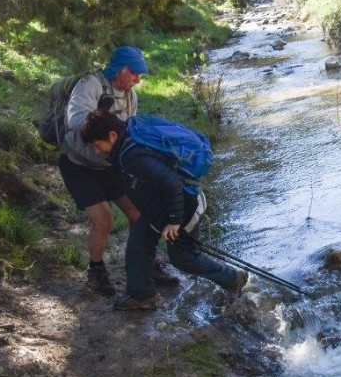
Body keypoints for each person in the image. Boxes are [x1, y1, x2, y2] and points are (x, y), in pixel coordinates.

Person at [80, 110, 248, 310]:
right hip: (161, 208)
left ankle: (233, 279)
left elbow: (172, 183)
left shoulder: (131, 155)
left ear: (112, 136)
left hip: (184, 205)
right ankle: (142, 296)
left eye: (98, 145)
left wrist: (175, 220)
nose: (98, 151)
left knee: (184, 258)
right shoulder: (130, 138)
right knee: (138, 244)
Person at [59, 46, 178, 296]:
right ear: (119, 69)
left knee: (139, 214)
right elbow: (73, 120)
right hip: (79, 167)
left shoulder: (130, 96)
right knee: (104, 220)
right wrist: (103, 119)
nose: (137, 80)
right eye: (134, 74)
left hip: (112, 166)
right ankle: (96, 270)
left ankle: (146, 264)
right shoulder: (90, 85)